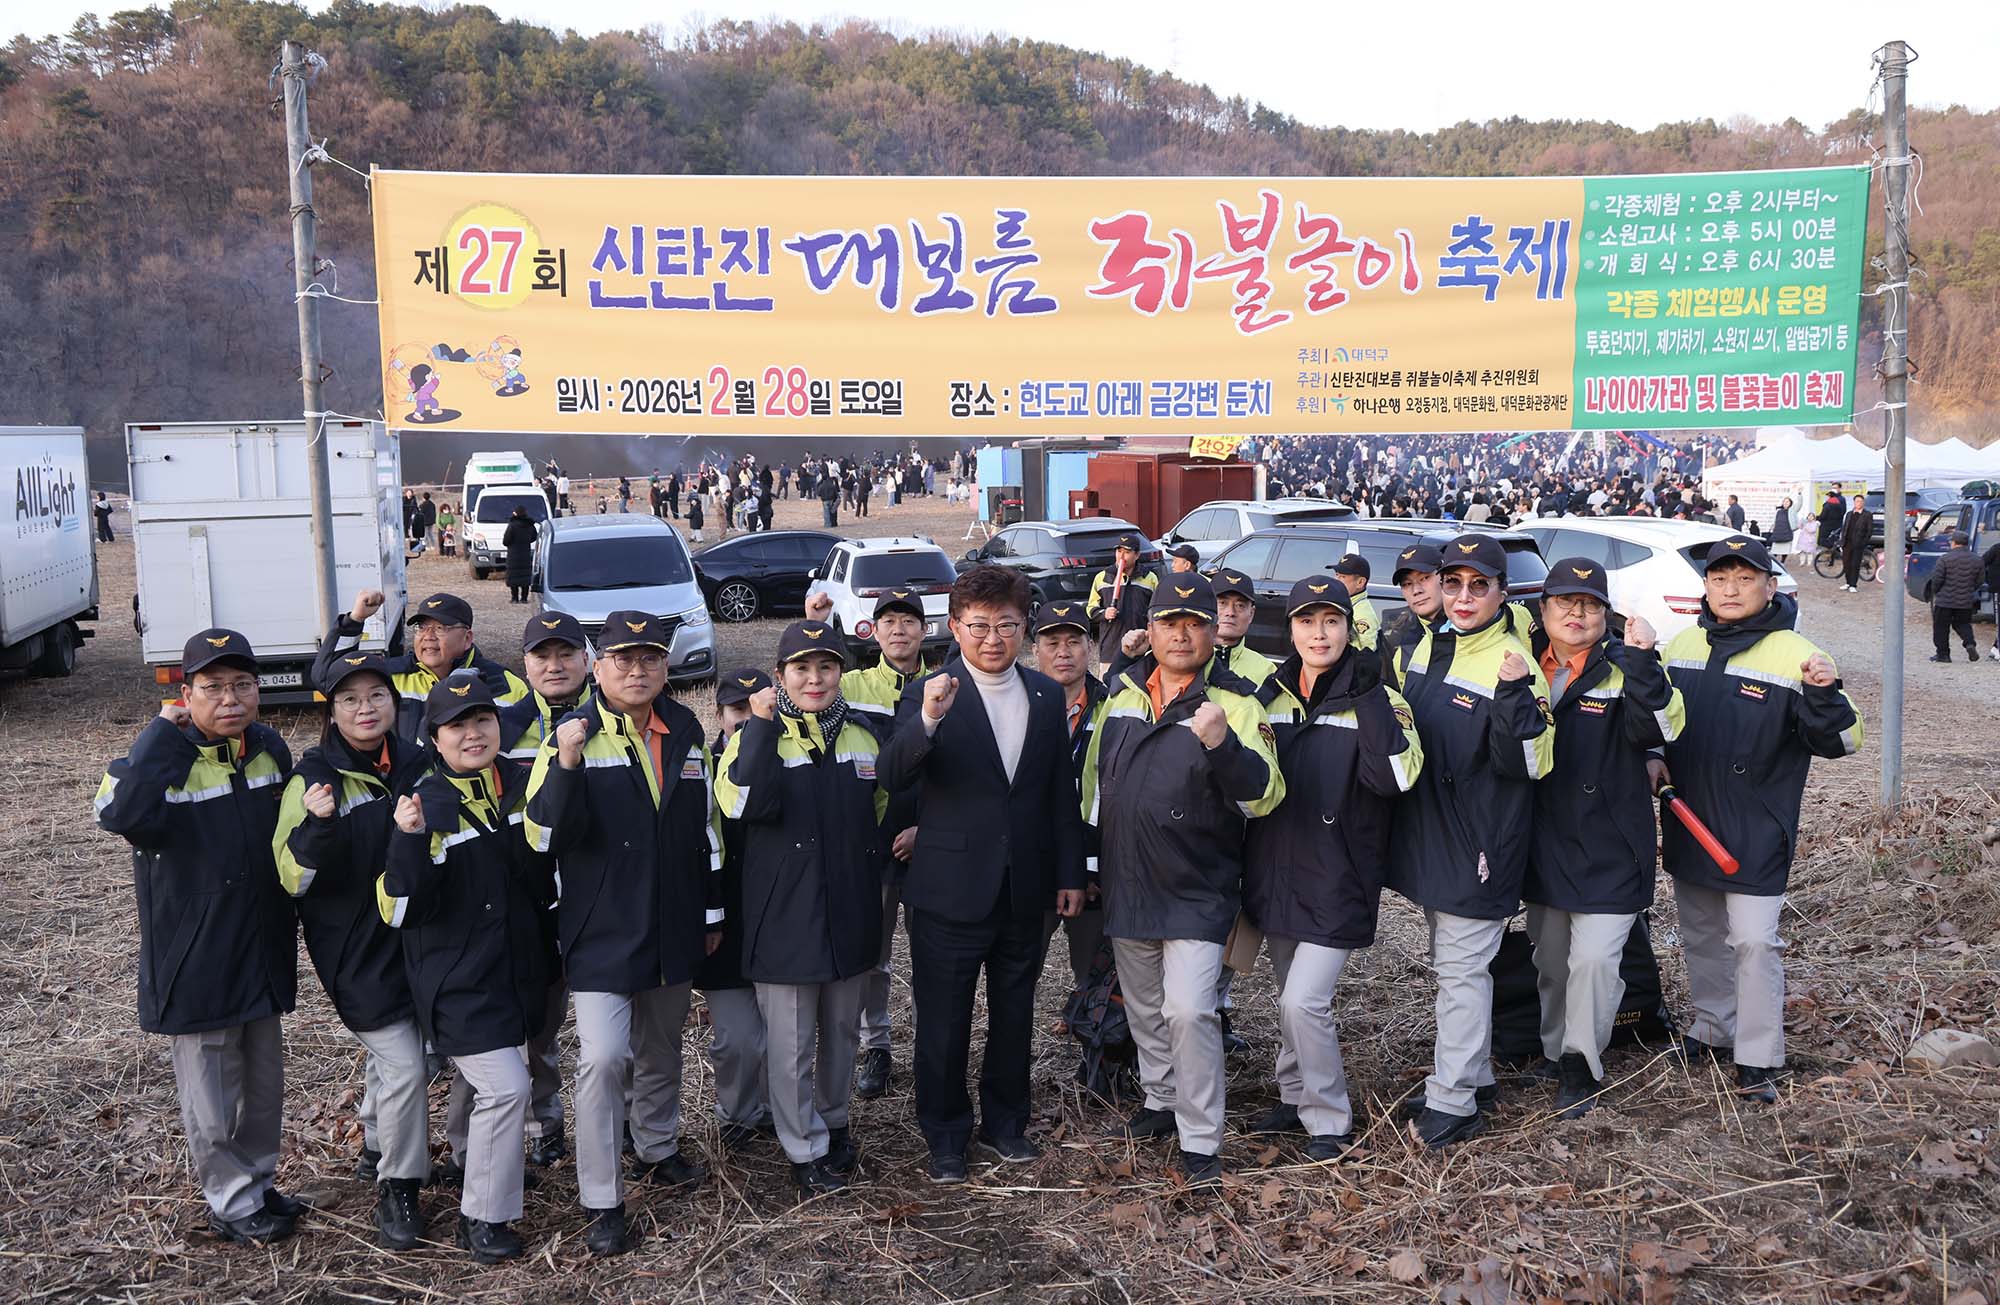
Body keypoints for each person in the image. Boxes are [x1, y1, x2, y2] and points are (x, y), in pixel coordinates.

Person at [878, 566, 1086, 1183]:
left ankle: (1006, 1122)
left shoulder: (1046, 695)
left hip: (1024, 885)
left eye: (1006, 626)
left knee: (1015, 1010)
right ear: (955, 627)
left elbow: (1059, 796)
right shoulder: (932, 691)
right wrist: (930, 721)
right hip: (948, 889)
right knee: (943, 1018)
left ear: (1024, 628)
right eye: (978, 626)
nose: (992, 638)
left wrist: (1069, 873)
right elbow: (893, 774)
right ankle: (944, 1133)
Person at [93, 629, 301, 1244]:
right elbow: (119, 815)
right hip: (196, 954)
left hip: (260, 943)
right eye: (212, 688)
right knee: (210, 1092)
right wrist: (161, 734)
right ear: (186, 694)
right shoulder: (155, 759)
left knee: (263, 1084)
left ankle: (258, 1182)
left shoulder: (267, 750)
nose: (230, 699)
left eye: (242, 685)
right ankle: (231, 1200)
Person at [524, 612, 722, 1257]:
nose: (637, 672)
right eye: (623, 660)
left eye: (650, 660)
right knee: (605, 1058)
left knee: (662, 1048)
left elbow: (709, 830)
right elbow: (542, 835)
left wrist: (711, 913)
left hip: (673, 923)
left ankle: (658, 1146)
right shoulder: (569, 734)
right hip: (601, 931)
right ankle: (601, 1196)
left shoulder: (688, 729)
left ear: (666, 666)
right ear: (597, 665)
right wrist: (569, 763)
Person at [1079, 574, 1285, 1185]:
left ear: (1211, 633)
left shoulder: (1238, 705)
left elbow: (1266, 796)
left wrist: (1224, 746)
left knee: (1191, 1010)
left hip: (1199, 888)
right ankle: (1161, 1101)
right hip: (1128, 882)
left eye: (1194, 623)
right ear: (1154, 628)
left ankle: (1200, 1138)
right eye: (1169, 622)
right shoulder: (1120, 697)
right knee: (1145, 1008)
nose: (1181, 634)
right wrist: (1089, 866)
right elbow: (1093, 790)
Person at [1656, 535, 1862, 1103]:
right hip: (1689, 815)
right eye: (1720, 578)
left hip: (1756, 826)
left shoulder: (1800, 654)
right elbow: (1658, 722)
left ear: (1770, 587)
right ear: (1706, 587)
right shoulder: (1681, 644)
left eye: (1744, 579)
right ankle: (1713, 1028)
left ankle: (1760, 1055)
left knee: (1752, 940)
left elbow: (1843, 741)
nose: (1730, 589)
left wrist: (1825, 693)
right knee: (1700, 933)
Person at [379, 673, 555, 1264]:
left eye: (481, 720)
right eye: (457, 726)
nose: (472, 734)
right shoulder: (424, 805)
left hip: (518, 976)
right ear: (435, 738)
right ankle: (482, 1218)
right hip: (458, 985)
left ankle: (477, 1169)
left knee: (489, 1087)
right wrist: (407, 841)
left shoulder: (521, 786)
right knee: (507, 1089)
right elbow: (399, 907)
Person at [1385, 534, 1553, 1149]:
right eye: (1452, 583)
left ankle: (1454, 1100)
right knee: (1454, 966)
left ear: (1501, 593)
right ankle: (1473, 1074)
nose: (1462, 596)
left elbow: (1534, 763)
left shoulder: (1515, 661)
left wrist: (1516, 699)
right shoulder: (1426, 646)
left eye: (1478, 586)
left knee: (1459, 971)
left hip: (1482, 841)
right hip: (1435, 837)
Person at [1246, 576, 1421, 1161]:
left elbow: (1396, 779)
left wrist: (1371, 699)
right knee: (1287, 991)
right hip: (1277, 868)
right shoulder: (1269, 696)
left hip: (1340, 873)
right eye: (1305, 622)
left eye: (1331, 622)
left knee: (1304, 1001)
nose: (1318, 634)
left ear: (1351, 627)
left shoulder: (1381, 694)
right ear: (1289, 628)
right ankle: (1294, 1094)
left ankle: (1328, 1118)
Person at [714, 622, 887, 1198]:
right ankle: (802, 1147)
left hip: (849, 913)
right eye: (801, 669)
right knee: (789, 1046)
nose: (815, 680)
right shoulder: (753, 736)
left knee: (841, 1033)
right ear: (780, 676)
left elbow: (880, 814)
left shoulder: (862, 735)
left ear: (841, 673)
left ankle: (835, 1124)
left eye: (827, 668)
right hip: (783, 916)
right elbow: (740, 804)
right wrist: (761, 726)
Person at [272, 651, 429, 1248]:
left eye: (376, 696)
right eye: (350, 700)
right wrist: (317, 827)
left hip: (416, 939)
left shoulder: (418, 763)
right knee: (405, 1064)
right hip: (355, 953)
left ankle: (374, 1141)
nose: (366, 709)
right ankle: (398, 1187)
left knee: (415, 1057)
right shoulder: (312, 778)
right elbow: (290, 877)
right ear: (331, 711)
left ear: (395, 703)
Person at [1521, 560, 1682, 1118]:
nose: (1576, 614)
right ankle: (1552, 1048)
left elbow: (1659, 727)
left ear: (1605, 615)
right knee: (1551, 959)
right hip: (1543, 842)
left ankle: (1580, 1064)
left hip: (1612, 843)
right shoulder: (1522, 666)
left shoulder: (1625, 667)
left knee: (1594, 960)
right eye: (1564, 602)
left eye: (1589, 605)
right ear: (1543, 610)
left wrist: (1642, 660)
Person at [805, 587, 934, 1102]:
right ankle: (876, 1046)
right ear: (873, 631)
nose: (898, 629)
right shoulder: (852, 683)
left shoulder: (944, 685)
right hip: (870, 844)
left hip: (932, 842)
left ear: (926, 631)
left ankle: (931, 1046)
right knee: (872, 957)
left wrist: (931, 829)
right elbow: (805, 682)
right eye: (888, 621)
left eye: (908, 620)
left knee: (931, 954)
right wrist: (815, 620)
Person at [697, 670, 776, 1153]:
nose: (745, 721)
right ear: (721, 715)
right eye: (736, 711)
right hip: (721, 926)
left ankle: (774, 1108)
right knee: (736, 1038)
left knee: (780, 1034)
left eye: (754, 709)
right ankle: (737, 1112)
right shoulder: (698, 768)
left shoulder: (784, 758)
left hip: (775, 920)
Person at [1030, 602, 1109, 1014]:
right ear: (1034, 649)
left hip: (1093, 870)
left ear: (1090, 647)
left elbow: (1111, 794)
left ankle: (1097, 1062)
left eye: (1074, 641)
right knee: (1019, 977)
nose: (1063, 652)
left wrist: (1089, 867)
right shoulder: (1017, 704)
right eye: (1052, 642)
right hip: (1030, 866)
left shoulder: (1113, 707)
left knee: (1095, 976)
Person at [316, 590, 528, 742]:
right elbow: (328, 678)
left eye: (440, 628)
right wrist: (355, 620)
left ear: (467, 638)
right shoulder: (393, 676)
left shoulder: (504, 684)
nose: (428, 637)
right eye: (422, 627)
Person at [1377, 543, 1444, 692]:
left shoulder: (1469, 631)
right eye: (1407, 584)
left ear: (1445, 577)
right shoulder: (1401, 641)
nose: (1416, 590)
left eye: (1425, 578)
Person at [1087, 534, 1157, 668]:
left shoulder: (1149, 578)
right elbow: (1090, 609)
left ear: (1136, 555)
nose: (1121, 556)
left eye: (1127, 552)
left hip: (1140, 646)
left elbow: (1155, 612)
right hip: (1111, 647)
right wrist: (1104, 613)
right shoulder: (1102, 577)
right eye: (1119, 551)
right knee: (1107, 686)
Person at [1923, 530, 1983, 663]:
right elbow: (1980, 580)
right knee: (1963, 623)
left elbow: (1937, 579)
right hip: (1965, 600)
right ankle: (1969, 643)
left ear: (1954, 543)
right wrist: (1969, 589)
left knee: (1941, 627)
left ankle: (1943, 654)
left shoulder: (1945, 559)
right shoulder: (1977, 559)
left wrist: (1936, 592)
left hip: (1945, 600)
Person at [1331, 554, 1379, 645]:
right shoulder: (1346, 605)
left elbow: (1367, 652)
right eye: (1337, 575)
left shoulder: (1362, 614)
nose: (1336, 580)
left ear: (1360, 582)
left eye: (1343, 577)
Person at [504, 504, 538, 603]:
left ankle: (514, 598)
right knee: (525, 578)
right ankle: (524, 598)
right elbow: (534, 537)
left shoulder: (512, 526)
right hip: (525, 554)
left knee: (513, 577)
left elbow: (506, 541)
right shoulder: (529, 525)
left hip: (513, 555)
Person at [1839, 494, 1872, 592]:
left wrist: (1863, 542)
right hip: (1847, 542)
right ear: (1854, 502)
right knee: (1846, 563)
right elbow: (1845, 527)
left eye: (1861, 501)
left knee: (1855, 564)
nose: (1858, 503)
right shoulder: (1849, 514)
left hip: (1858, 543)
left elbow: (1869, 530)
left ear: (1863, 503)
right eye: (1857, 501)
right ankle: (1848, 582)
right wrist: (1842, 540)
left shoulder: (1867, 514)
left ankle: (1853, 584)